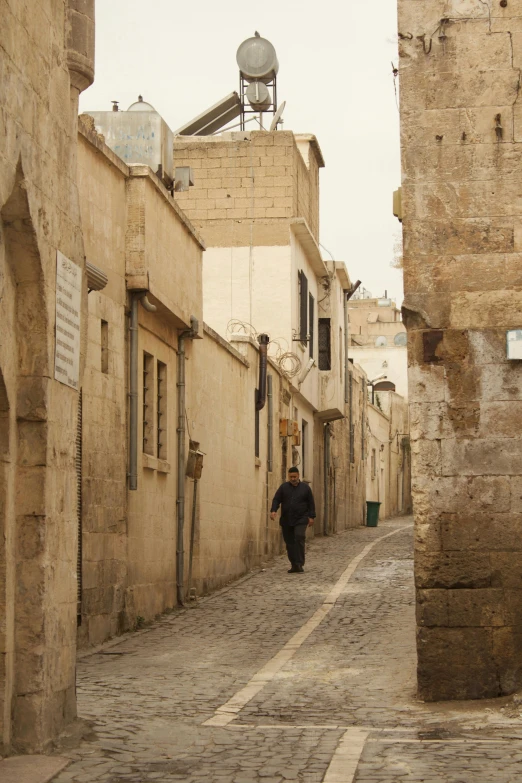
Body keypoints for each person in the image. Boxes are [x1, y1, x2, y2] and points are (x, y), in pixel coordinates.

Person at [270, 467, 316, 573]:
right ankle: (294, 564)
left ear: (298, 475)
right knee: (289, 542)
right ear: (288, 476)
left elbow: (311, 503)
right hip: (287, 519)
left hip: (301, 518)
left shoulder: (305, 488)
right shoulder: (283, 487)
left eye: (295, 476)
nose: (293, 478)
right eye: (291, 477)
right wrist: (273, 510)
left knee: (299, 536)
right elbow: (276, 499)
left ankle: (299, 563)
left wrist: (311, 517)